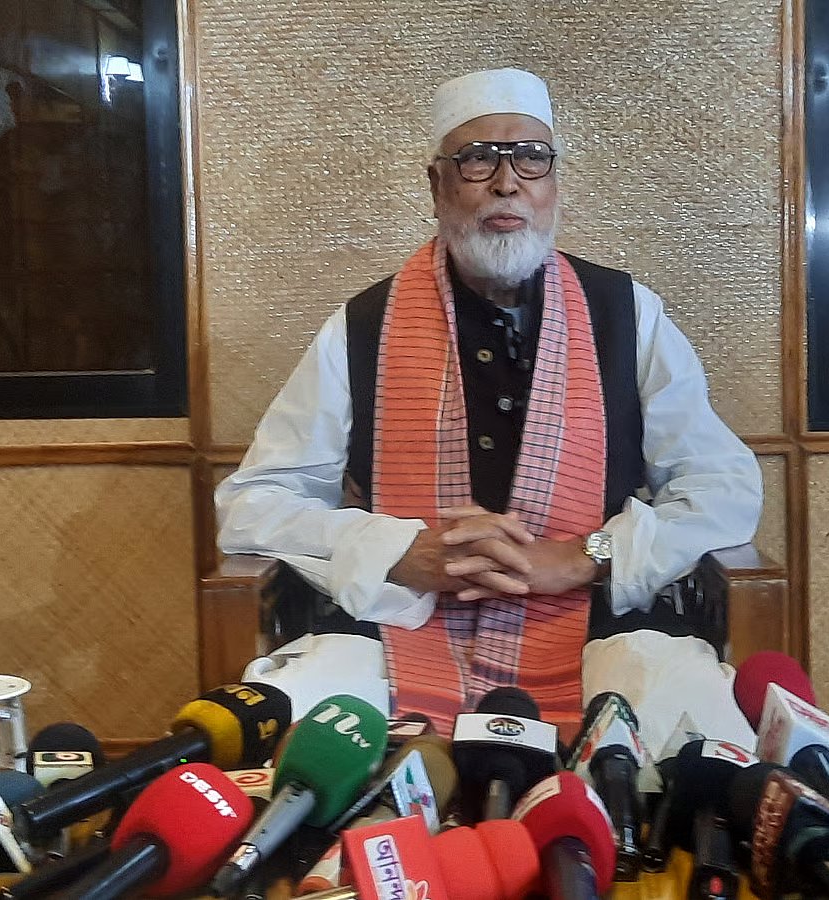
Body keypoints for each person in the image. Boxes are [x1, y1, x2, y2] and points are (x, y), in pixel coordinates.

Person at [216, 68, 762, 753]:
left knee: (685, 736)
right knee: (291, 732)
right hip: (402, 626)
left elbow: (726, 488)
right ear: (437, 185)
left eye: (531, 157)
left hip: (594, 620)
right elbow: (253, 504)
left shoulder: (628, 315)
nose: (508, 183)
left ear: (553, 183)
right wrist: (395, 551)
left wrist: (588, 555)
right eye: (478, 159)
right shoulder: (363, 326)